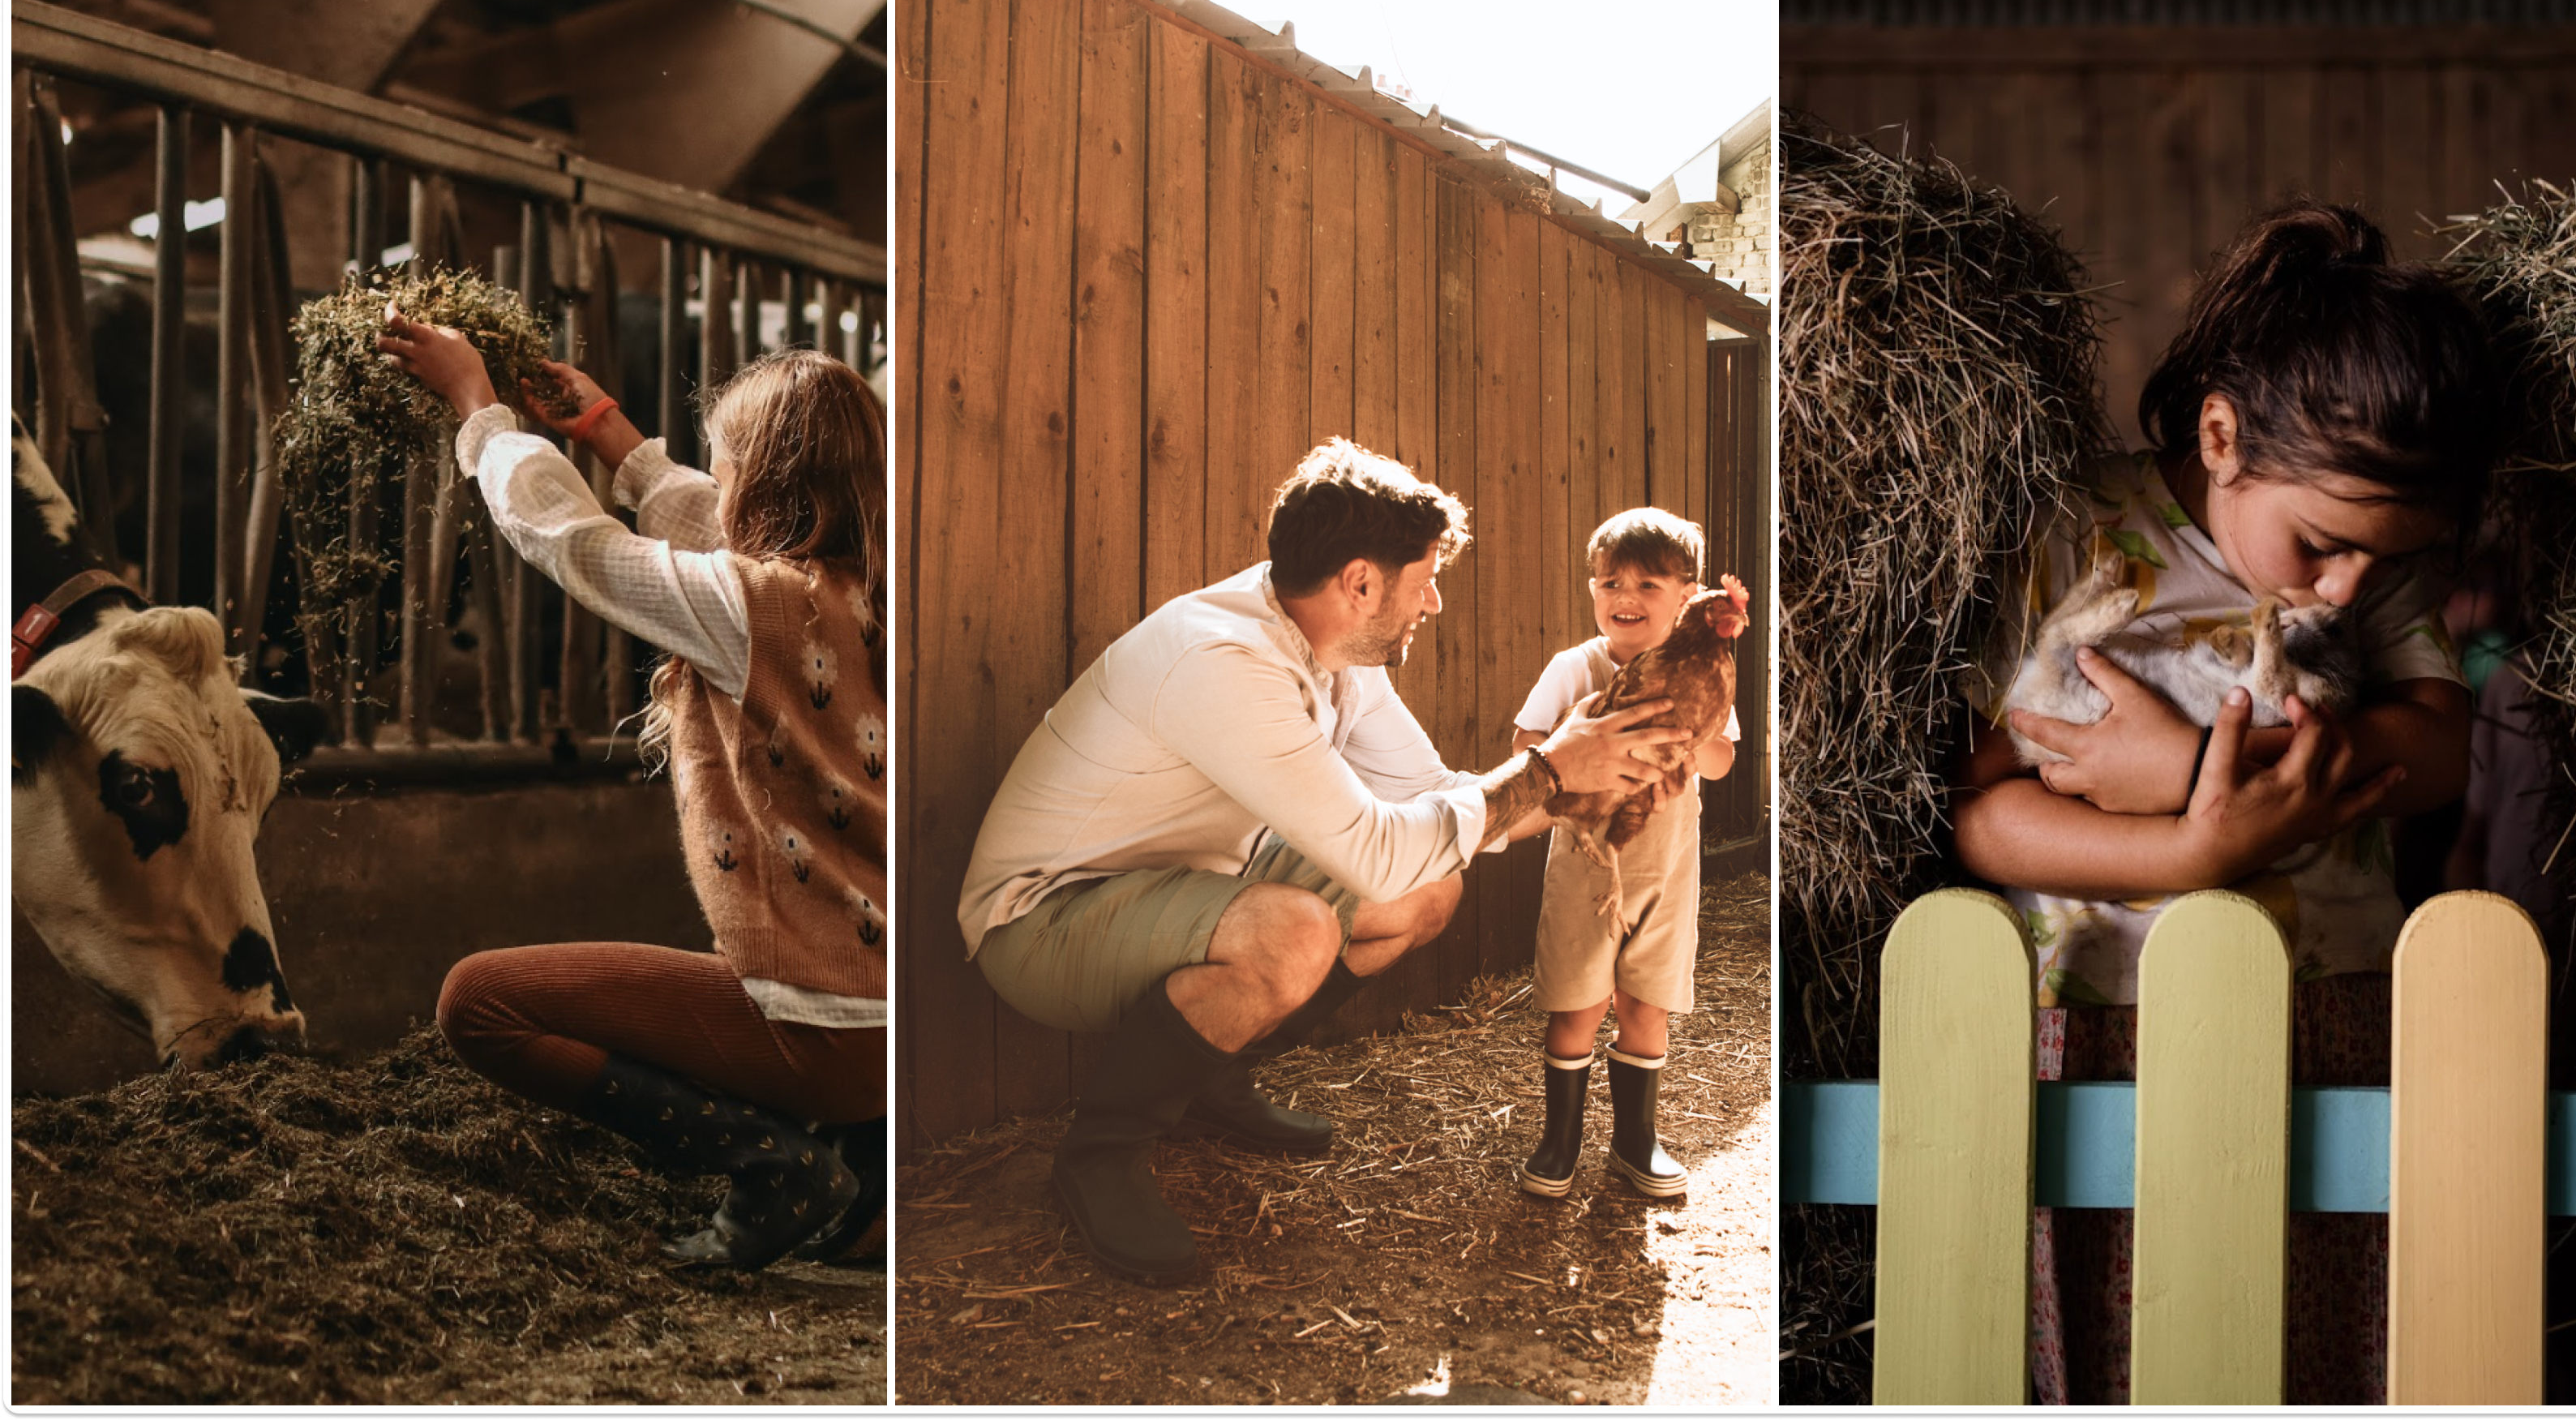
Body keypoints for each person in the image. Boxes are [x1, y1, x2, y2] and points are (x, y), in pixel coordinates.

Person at [1946, 201, 2505, 1404]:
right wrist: (2198, 842)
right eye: (2321, 544)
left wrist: (2200, 766)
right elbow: (1983, 812)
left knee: (2315, 1322)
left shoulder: (2382, 581)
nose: (2347, 587)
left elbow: (2441, 747)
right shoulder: (2076, 539)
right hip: (2106, 1016)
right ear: (2221, 436)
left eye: (2382, 556)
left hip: (2334, 1010)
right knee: (2136, 1335)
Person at [959, 438, 1685, 1284]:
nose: (1436, 602)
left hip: (1182, 883)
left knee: (1428, 891)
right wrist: (1553, 769)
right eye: (1424, 580)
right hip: (1042, 916)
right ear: (1361, 583)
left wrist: (1586, 781)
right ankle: (1099, 1155)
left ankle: (1210, 1081)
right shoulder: (1223, 660)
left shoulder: (1337, 649)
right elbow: (1378, 851)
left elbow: (1438, 800)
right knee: (1300, 930)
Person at [379, 315, 887, 1270]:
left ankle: (773, 1163)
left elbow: (575, 543)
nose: (718, 480)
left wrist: (477, 411)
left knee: (477, 1002)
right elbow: (721, 526)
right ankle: (865, 1157)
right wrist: (612, 434)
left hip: (824, 1031)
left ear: (764, 482)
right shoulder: (877, 590)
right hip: (902, 1028)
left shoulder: (749, 607)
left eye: (726, 461)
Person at [1510, 508, 1738, 1201]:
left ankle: (1636, 1142)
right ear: (1592, 592)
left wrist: (1691, 728)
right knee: (1578, 1001)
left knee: (1648, 1001)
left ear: (1686, 596)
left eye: (1647, 584)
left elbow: (1723, 762)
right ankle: (1561, 1140)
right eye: (1610, 583)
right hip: (1588, 858)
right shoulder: (1574, 667)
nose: (1626, 598)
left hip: (1668, 864)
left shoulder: (1704, 670)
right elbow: (1525, 751)